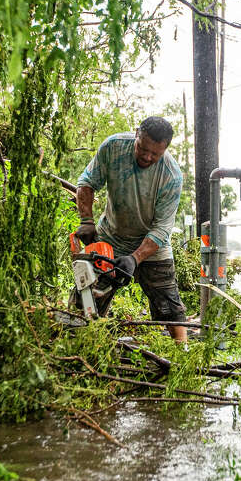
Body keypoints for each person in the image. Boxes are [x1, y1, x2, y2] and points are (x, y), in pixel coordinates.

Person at [74, 116, 187, 342]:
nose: (147, 156)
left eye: (155, 154)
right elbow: (86, 182)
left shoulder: (171, 176)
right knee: (86, 298)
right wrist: (86, 220)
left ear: (165, 149)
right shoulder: (113, 147)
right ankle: (82, 344)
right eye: (142, 148)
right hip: (111, 237)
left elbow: (162, 230)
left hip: (153, 244)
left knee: (169, 305)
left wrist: (134, 259)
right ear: (137, 134)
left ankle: (182, 354)